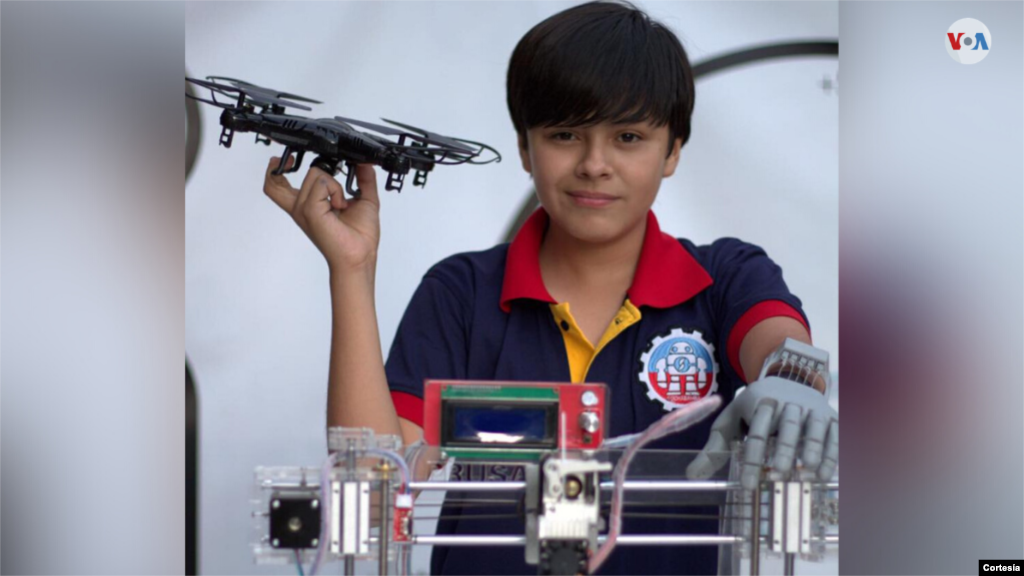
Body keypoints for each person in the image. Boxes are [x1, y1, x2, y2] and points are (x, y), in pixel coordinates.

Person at [261, 2, 835, 574]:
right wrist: (352, 270)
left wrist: (790, 380)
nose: (594, 164)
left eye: (629, 136)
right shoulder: (460, 294)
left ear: (673, 150)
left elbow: (778, 342)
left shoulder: (726, 278)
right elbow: (374, 485)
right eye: (565, 134)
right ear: (524, 147)